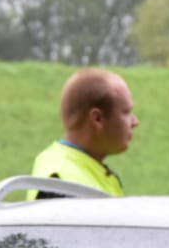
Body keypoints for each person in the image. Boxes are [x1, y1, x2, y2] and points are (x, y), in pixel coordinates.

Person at [29, 69, 137, 197]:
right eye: (126, 112)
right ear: (97, 119)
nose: (135, 122)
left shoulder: (82, 168)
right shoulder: (61, 182)